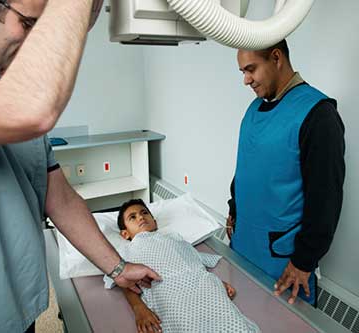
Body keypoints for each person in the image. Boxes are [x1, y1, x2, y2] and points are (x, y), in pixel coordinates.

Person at [0, 1, 160, 332]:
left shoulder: (1, 82)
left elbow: (60, 199)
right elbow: (31, 108)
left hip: (17, 310)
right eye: (29, 24)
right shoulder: (11, 100)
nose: (35, 41)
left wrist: (117, 268)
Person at [226, 39, 345, 306]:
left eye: (251, 69)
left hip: (283, 260)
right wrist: (234, 207)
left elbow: (326, 198)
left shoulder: (318, 115)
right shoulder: (254, 108)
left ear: (277, 58)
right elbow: (248, 165)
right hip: (244, 243)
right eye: (243, 72)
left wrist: (304, 260)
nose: (246, 80)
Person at [107, 199, 260, 333]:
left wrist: (217, 282)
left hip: (203, 285)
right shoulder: (126, 250)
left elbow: (193, 261)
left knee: (233, 323)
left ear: (155, 221)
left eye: (144, 213)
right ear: (125, 234)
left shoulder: (175, 238)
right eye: (132, 217)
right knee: (187, 325)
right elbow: (124, 280)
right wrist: (138, 308)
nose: (140, 217)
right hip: (167, 291)